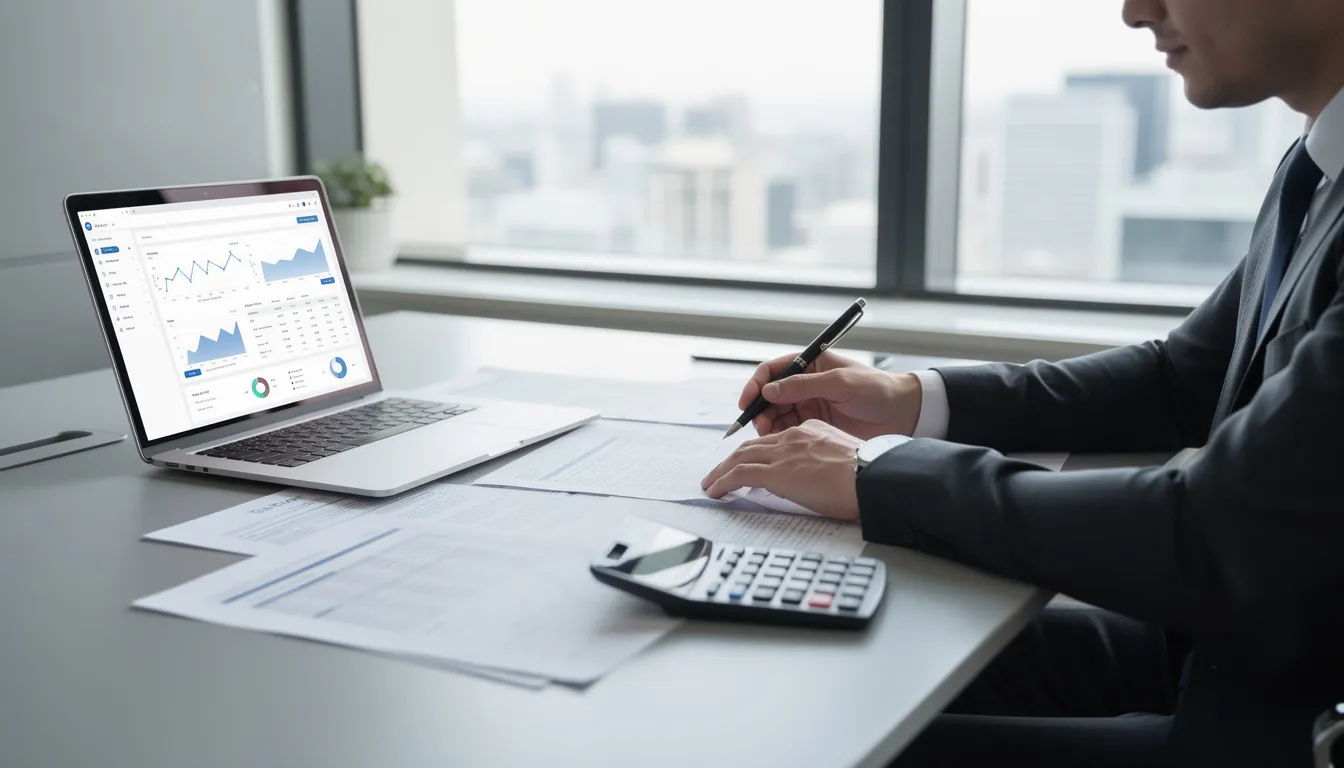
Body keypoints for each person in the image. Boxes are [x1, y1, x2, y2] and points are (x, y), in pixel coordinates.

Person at [701, 0, 1344, 765]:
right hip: (1239, 658)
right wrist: (911, 401)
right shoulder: (1318, 168)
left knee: (811, 747)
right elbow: (1182, 378)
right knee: (801, 673)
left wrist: (878, 473)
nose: (1136, 11)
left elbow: (1214, 532)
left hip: (1287, 722)